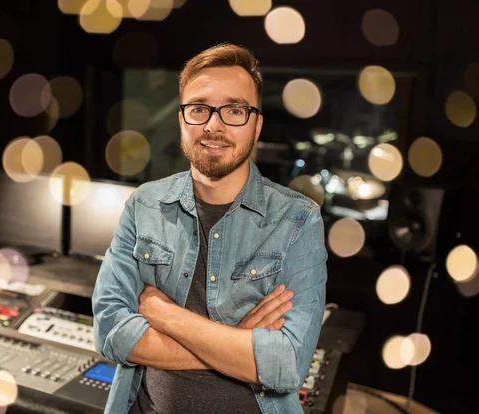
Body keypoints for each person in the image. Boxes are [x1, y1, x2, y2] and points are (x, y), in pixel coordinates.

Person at [92, 43, 327, 414]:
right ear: (182, 119)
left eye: (234, 110)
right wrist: (239, 343)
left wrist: (164, 314)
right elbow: (111, 333)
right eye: (199, 109)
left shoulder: (298, 219)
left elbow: (286, 365)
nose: (214, 125)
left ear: (257, 123)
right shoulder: (144, 204)